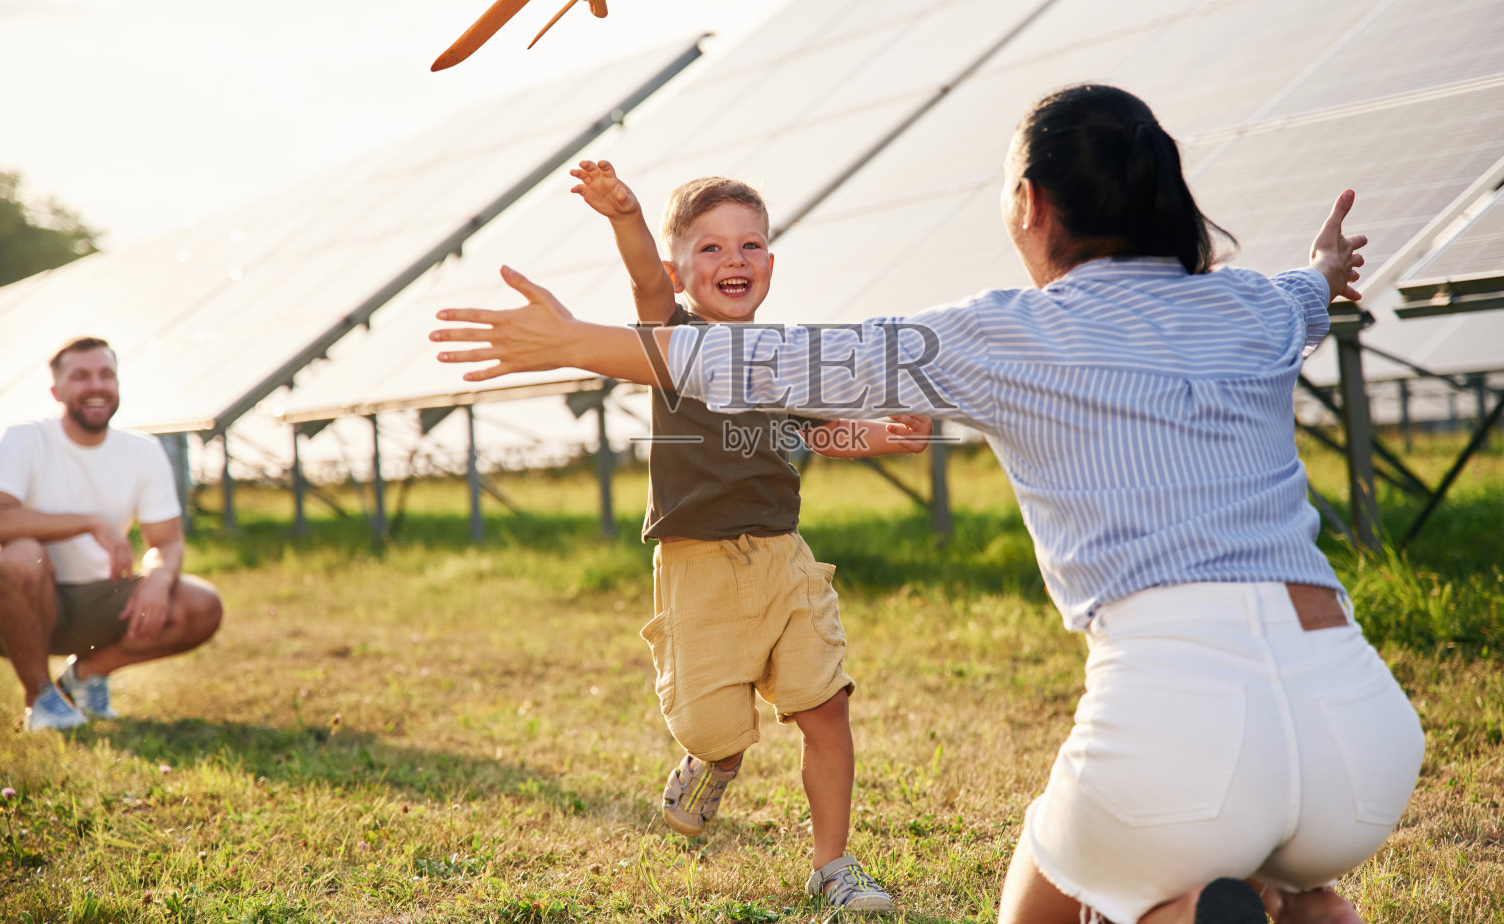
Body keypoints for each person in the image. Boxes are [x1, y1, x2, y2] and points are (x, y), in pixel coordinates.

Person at [432, 85, 1426, 924]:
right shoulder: (1255, 303)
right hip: (1361, 731)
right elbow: (1312, 288)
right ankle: (1292, 895)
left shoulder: (1003, 332)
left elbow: (778, 360)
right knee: (1293, 889)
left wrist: (575, 341)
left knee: (1109, 887)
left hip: (1177, 727)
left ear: (1030, 205)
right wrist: (1324, 268)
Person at [560, 159, 931, 913]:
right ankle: (714, 759)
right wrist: (626, 214)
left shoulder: (782, 357)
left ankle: (834, 865)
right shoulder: (673, 339)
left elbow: (822, 431)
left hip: (781, 555)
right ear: (680, 272)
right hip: (696, 563)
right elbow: (643, 283)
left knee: (825, 705)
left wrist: (882, 436)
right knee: (716, 727)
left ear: (770, 262)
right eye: (711, 248)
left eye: (750, 245)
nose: (734, 259)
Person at [0, 336, 223, 732]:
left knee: (201, 604)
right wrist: (90, 521)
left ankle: (83, 677)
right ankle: (40, 699)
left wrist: (157, 578)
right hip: (15, 602)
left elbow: (165, 543)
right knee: (19, 555)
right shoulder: (24, 438)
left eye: (106, 375)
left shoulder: (143, 451)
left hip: (98, 599)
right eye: (80, 376)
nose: (96, 386)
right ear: (57, 390)